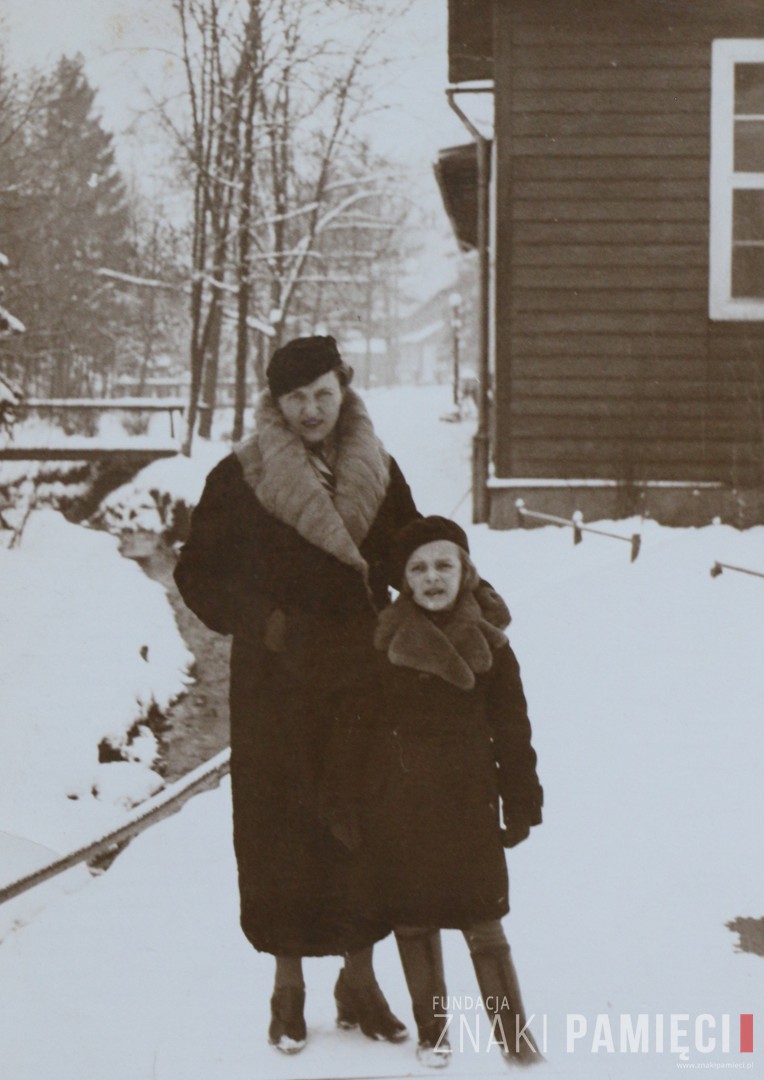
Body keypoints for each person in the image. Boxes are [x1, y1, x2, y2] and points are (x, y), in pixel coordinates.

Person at [173, 335, 420, 1054]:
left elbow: (409, 553)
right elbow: (197, 574)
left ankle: (359, 979)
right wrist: (267, 623)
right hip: (275, 682)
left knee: (364, 822)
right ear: (275, 403)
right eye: (296, 398)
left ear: (344, 389)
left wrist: (450, 589)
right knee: (279, 830)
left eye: (322, 394)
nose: (311, 410)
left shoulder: (378, 468)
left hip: (362, 678)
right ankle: (288, 988)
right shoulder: (240, 475)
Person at [361, 515, 544, 1068]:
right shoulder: (385, 643)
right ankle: (432, 1032)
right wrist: (354, 804)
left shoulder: (491, 644)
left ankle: (515, 1041)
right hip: (403, 806)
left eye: (444, 564)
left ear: (466, 571)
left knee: (483, 924)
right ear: (404, 580)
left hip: (470, 804)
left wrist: (521, 800)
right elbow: (360, 733)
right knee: (413, 923)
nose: (432, 577)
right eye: (418, 568)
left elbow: (513, 730)